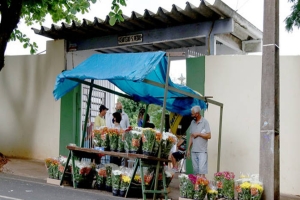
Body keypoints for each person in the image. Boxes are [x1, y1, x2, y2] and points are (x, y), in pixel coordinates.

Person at [186, 105, 211, 177]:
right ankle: (197, 187)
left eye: (193, 114)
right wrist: (188, 149)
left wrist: (199, 134)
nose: (192, 115)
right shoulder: (192, 123)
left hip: (202, 151)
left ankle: (202, 187)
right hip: (194, 151)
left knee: (202, 172)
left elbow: (209, 136)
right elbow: (191, 136)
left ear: (197, 114)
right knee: (196, 172)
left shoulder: (205, 122)